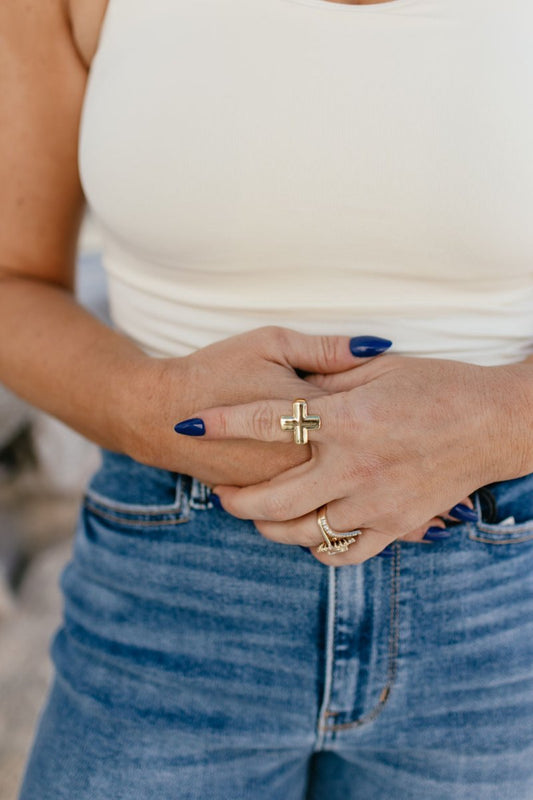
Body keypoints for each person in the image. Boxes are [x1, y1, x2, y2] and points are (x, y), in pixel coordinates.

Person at [1, 0, 531, 797]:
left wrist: (500, 421)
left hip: (503, 600)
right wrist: (147, 404)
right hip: (169, 588)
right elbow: (12, 279)